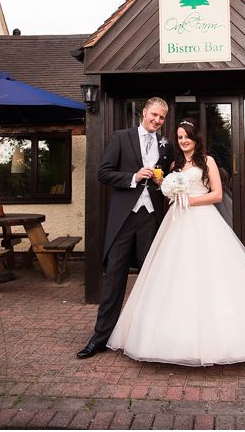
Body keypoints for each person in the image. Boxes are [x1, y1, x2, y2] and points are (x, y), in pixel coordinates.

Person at [106, 120, 245, 365]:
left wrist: (190, 201)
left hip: (203, 220)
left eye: (188, 137)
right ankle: (172, 336)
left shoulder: (208, 162)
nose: (183, 141)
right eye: (180, 137)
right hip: (176, 222)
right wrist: (168, 188)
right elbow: (167, 189)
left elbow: (215, 194)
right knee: (175, 273)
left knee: (211, 272)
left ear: (196, 139)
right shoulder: (175, 164)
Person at [77, 97, 174, 359]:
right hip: (124, 219)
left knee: (152, 280)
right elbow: (103, 173)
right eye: (154, 115)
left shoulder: (166, 146)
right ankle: (99, 338)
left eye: (162, 118)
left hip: (151, 219)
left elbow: (168, 178)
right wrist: (133, 177)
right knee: (114, 278)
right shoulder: (121, 137)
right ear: (144, 112)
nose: (157, 120)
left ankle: (151, 336)